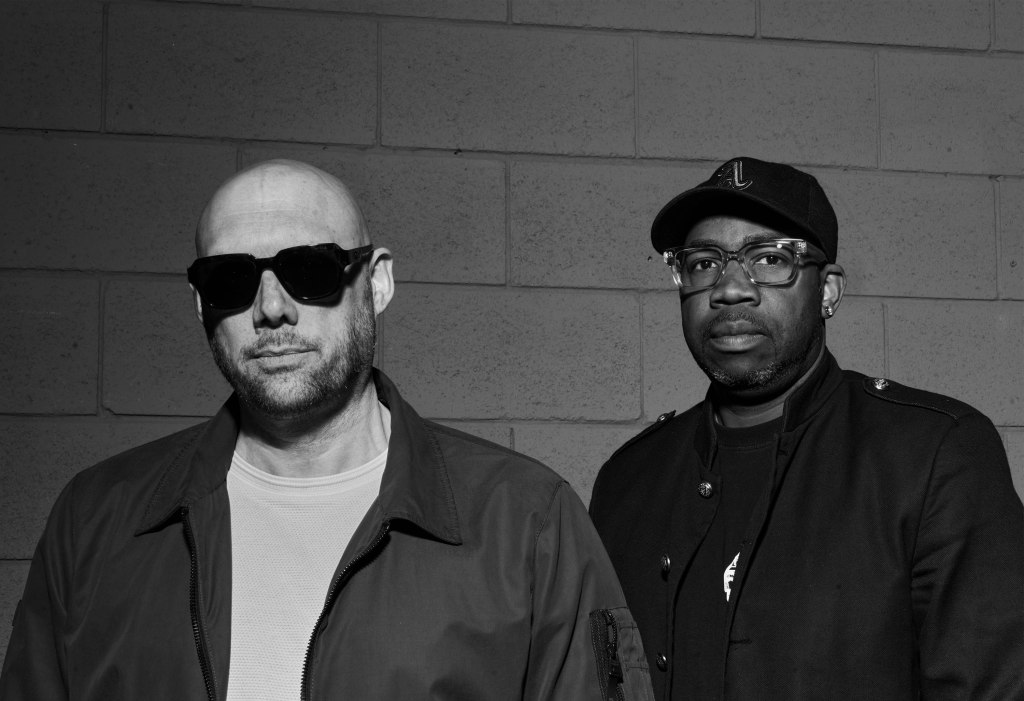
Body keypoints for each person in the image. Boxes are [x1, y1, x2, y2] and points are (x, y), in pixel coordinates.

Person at [1, 159, 654, 701]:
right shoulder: (95, 519)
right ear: (201, 304)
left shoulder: (527, 520)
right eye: (231, 279)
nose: (272, 309)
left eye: (309, 270)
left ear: (377, 283)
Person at [589, 156, 1024, 700]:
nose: (730, 289)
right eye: (703, 263)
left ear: (828, 291)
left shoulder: (934, 454)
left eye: (770, 259)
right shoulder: (628, 481)